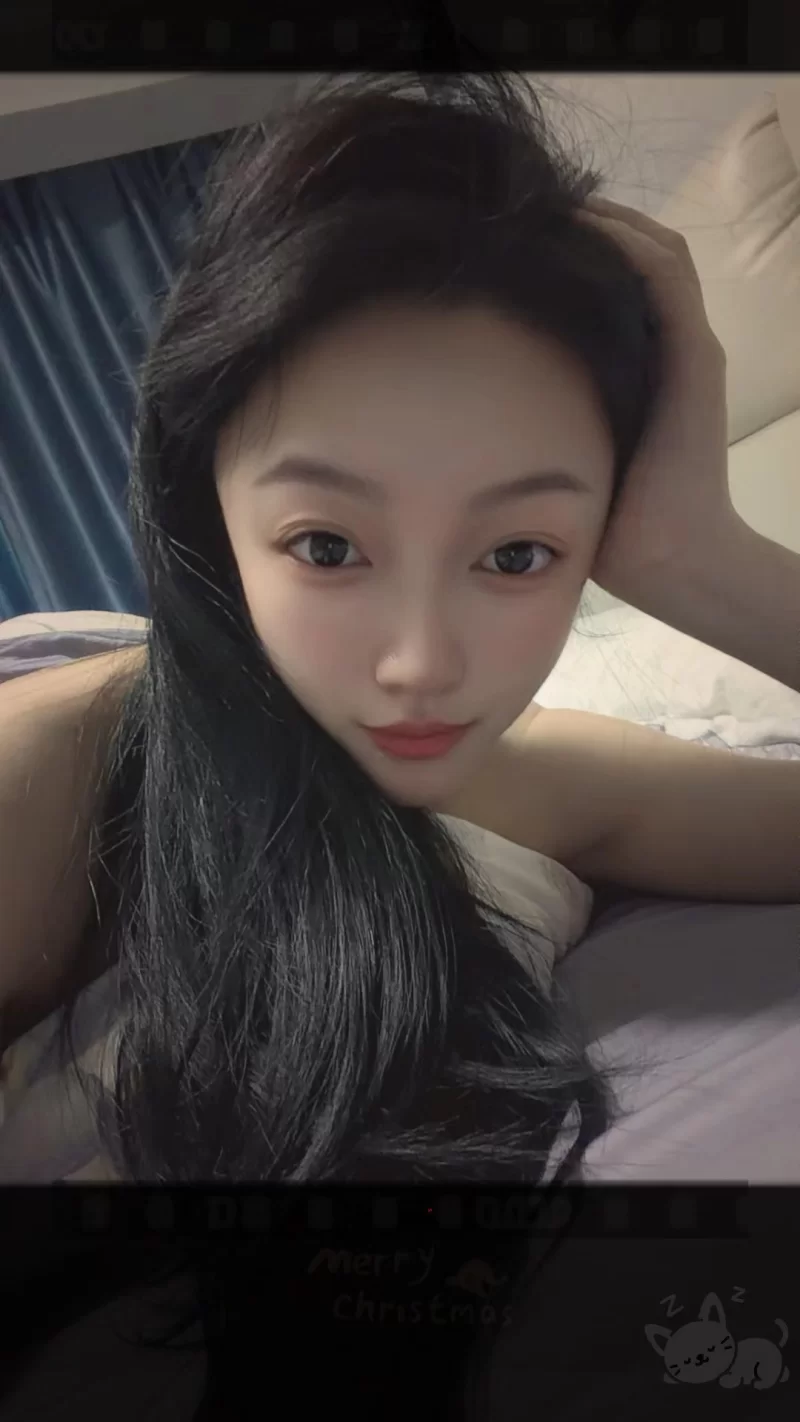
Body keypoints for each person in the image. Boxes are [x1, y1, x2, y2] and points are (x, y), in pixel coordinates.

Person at [0, 71, 798, 1186]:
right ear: (209, 517)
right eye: (327, 547)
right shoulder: (42, 784)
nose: (419, 665)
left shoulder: (528, 780)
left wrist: (701, 556)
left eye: (515, 555)